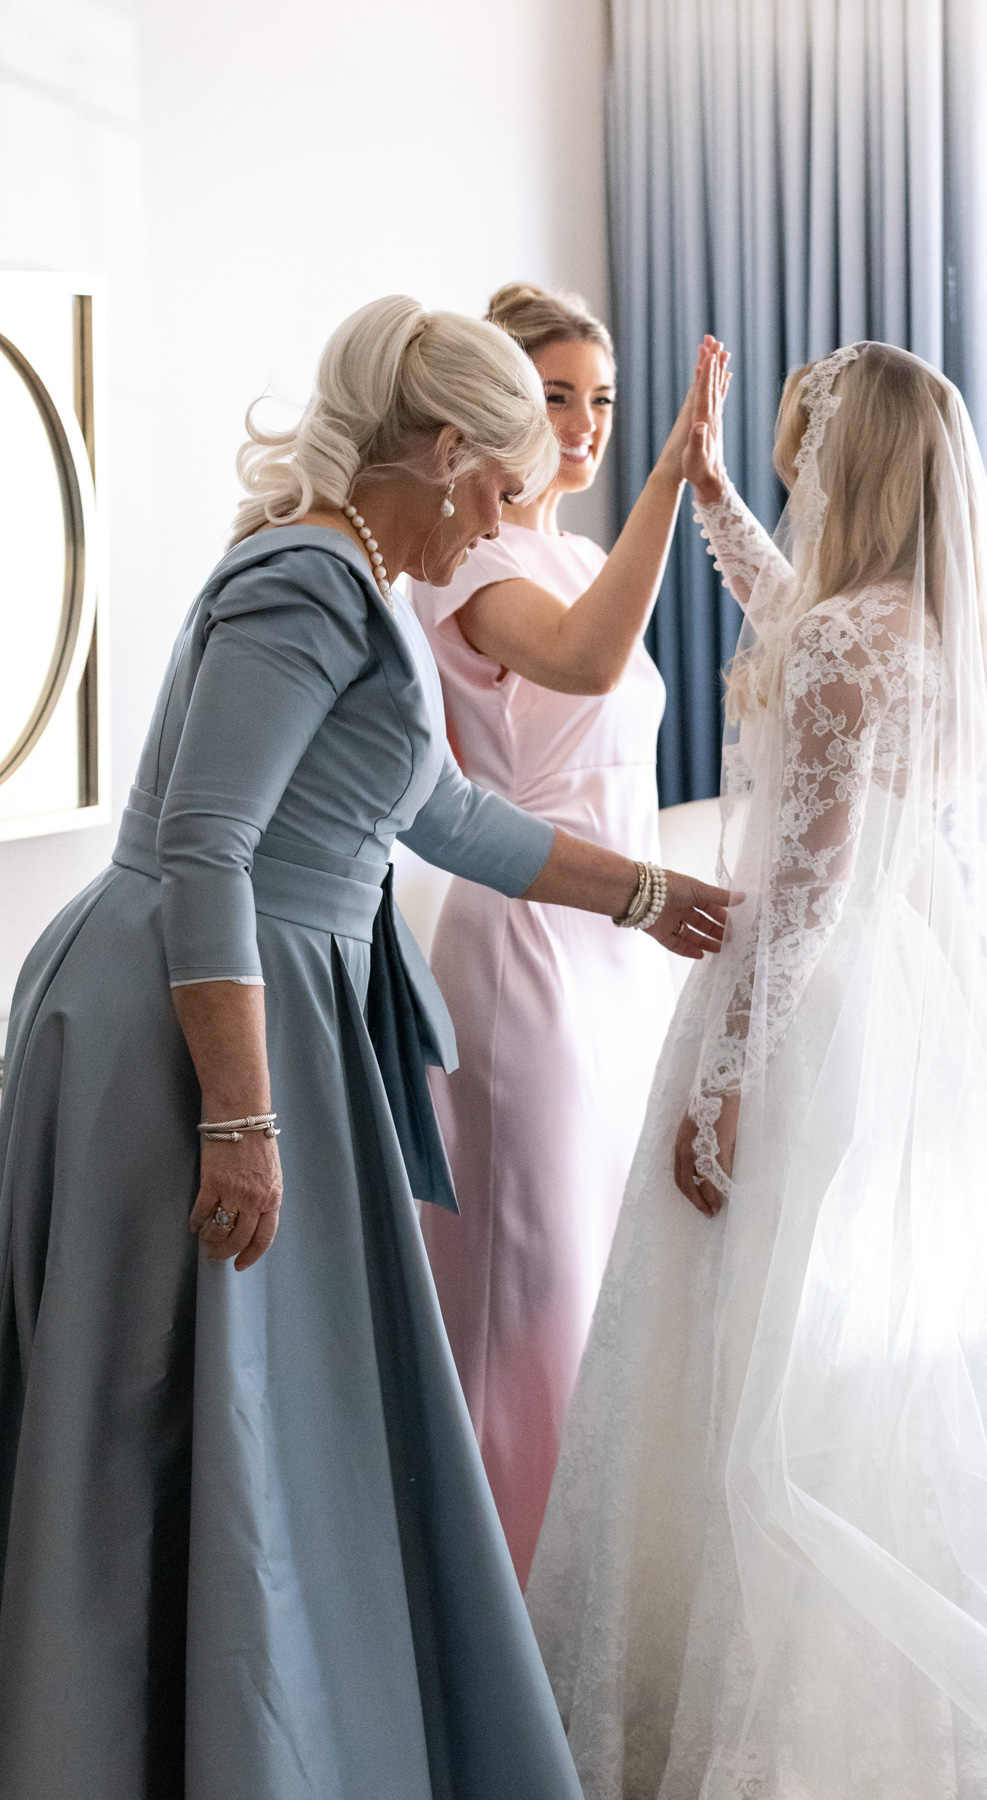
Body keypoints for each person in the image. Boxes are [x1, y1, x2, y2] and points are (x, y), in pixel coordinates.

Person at [0, 295, 730, 1800]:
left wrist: (647, 893)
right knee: (164, 1402)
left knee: (258, 1403)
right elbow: (208, 848)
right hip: (191, 1026)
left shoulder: (368, 585)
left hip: (275, 1004)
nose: (510, 514)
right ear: (447, 450)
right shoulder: (306, 585)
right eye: (505, 479)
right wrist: (239, 1116)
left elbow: (441, 814)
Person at [526, 342, 987, 1799]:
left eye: (803, 454)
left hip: (806, 1002)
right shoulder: (923, 629)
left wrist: (726, 1078)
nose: (794, 474)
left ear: (852, 463)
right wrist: (709, 497)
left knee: (757, 1337)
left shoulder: (846, 640)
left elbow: (805, 888)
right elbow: (792, 619)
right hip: (902, 996)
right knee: (859, 1328)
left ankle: (741, 1675)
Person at [412, 285, 728, 1585]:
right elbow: (590, 667)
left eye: (601, 399)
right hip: (525, 942)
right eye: (555, 397)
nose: (584, 424)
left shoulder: (588, 555)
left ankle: (581, 1586)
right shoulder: (470, 563)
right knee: (518, 1281)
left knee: (590, 1271)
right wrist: (669, 478)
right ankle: (495, 1597)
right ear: (495, 404)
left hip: (616, 948)